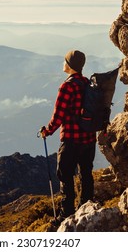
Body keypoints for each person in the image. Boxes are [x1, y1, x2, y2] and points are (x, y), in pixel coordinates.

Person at [40, 49, 96, 224]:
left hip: (71, 139)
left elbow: (59, 116)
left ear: (69, 65)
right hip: (89, 138)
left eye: (64, 61)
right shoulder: (87, 83)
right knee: (86, 173)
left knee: (65, 175)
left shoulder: (67, 86)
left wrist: (47, 131)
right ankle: (86, 207)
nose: (62, 63)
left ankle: (66, 213)